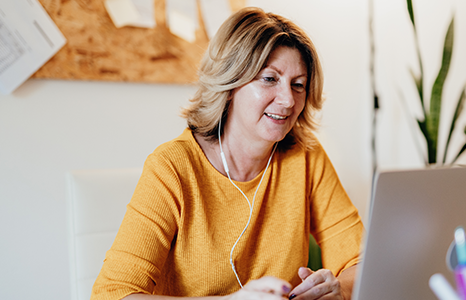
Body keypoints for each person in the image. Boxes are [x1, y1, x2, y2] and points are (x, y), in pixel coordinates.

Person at [91, 7, 363, 300]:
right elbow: (112, 294)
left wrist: (340, 290)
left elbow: (361, 261)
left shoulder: (306, 156)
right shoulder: (172, 166)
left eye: (298, 85)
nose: (287, 100)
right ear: (231, 82)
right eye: (269, 79)